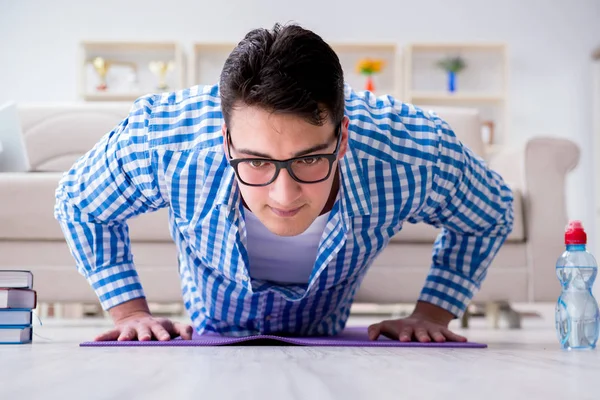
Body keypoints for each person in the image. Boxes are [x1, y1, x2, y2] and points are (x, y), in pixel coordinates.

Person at [54, 23, 513, 343]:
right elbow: (79, 201)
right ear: (226, 140)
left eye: (310, 158)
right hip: (214, 328)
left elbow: (491, 212)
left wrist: (431, 314)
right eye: (256, 162)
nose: (283, 196)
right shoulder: (162, 139)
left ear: (344, 136)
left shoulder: (412, 151)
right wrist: (129, 311)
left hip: (325, 334)